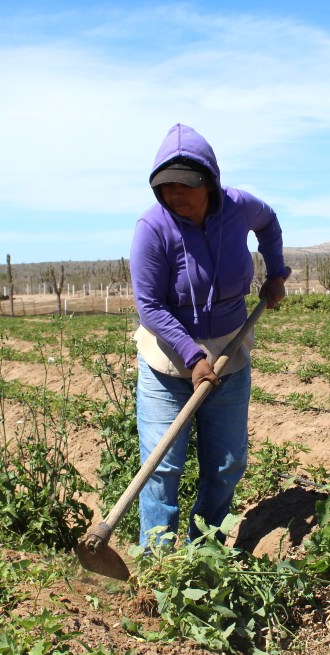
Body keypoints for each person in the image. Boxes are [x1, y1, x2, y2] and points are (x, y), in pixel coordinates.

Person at [129, 123, 287, 547]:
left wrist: (277, 273)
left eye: (186, 185)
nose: (174, 195)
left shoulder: (238, 207)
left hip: (229, 353)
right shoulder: (153, 228)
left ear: (210, 182)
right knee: (162, 467)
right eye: (166, 187)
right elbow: (150, 306)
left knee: (226, 463)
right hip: (168, 359)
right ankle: (158, 566)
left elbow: (269, 223)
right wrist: (191, 356)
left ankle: (205, 552)